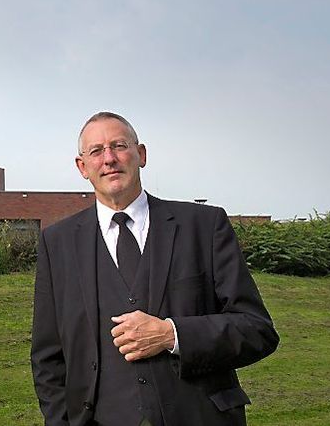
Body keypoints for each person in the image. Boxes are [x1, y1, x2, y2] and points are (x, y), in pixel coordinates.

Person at [31, 112, 279, 426]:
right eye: (96, 151)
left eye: (119, 146)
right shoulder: (57, 243)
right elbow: (47, 357)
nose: (109, 159)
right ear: (82, 167)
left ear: (141, 155)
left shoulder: (203, 226)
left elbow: (257, 329)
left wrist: (171, 335)